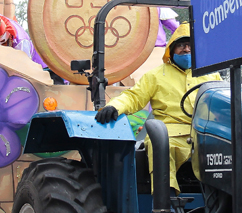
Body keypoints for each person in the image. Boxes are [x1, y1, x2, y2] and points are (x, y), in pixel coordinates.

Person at [95, 23, 222, 192]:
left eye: (191, 45)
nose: (186, 50)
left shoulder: (211, 75)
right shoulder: (155, 76)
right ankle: (165, 204)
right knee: (161, 146)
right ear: (171, 49)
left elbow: (223, 103)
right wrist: (114, 106)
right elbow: (134, 97)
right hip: (168, 134)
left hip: (205, 135)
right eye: (181, 45)